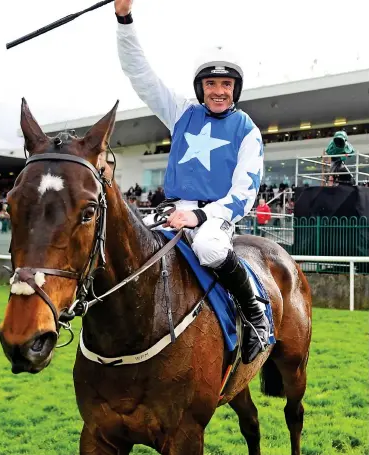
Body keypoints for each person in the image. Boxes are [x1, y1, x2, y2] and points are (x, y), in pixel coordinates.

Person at [114, 0, 269, 364]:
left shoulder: (247, 130)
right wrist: (124, 18)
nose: (219, 91)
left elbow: (244, 194)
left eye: (226, 84)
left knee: (211, 250)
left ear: (236, 88)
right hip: (170, 209)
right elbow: (141, 74)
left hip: (214, 217)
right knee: (123, 245)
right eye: (211, 83)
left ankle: (256, 316)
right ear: (200, 88)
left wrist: (199, 218)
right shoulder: (182, 113)